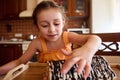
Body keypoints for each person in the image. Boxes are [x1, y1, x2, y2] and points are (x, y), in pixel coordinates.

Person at [0, 0, 101, 79]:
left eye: (56, 24)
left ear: (63, 22)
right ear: (37, 26)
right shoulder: (37, 43)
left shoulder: (68, 36)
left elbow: (95, 39)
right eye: (44, 25)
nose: (52, 30)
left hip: (67, 76)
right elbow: (19, 62)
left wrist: (87, 49)